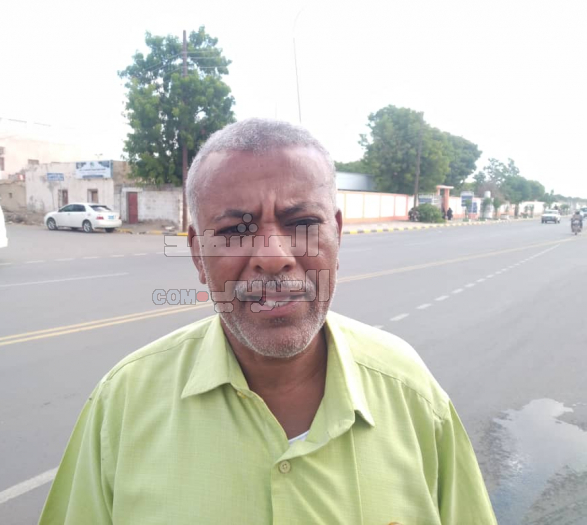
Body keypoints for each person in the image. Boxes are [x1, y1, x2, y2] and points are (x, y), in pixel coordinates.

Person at [39, 119, 497, 525]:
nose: (274, 257)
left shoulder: (412, 394)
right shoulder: (124, 403)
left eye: (301, 222)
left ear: (337, 235)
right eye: (234, 230)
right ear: (197, 254)